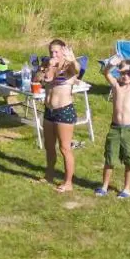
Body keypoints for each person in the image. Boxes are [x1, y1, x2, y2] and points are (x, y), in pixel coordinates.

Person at [95, 60, 130, 199]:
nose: (125, 76)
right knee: (110, 158)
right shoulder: (116, 86)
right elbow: (105, 72)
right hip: (115, 128)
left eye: (129, 74)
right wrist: (112, 64)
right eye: (122, 73)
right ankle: (104, 186)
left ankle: (126, 189)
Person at [39, 38, 81, 193]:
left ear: (64, 51)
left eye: (56, 51)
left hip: (64, 110)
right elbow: (38, 79)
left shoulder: (69, 66)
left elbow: (76, 70)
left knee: (65, 148)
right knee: (49, 147)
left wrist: (73, 60)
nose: (53, 54)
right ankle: (49, 175)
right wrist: (46, 68)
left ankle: (68, 182)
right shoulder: (47, 64)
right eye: (51, 51)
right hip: (49, 110)